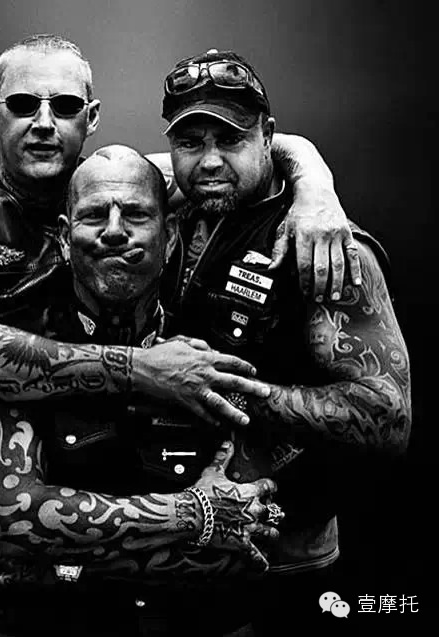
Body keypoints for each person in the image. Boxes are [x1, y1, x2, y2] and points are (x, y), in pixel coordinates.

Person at [0, 34, 359, 636]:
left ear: (90, 117)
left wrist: (317, 188)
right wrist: (142, 370)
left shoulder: (111, 184)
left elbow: (242, 148)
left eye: (65, 106)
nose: (44, 122)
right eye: (23, 105)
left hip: (51, 517)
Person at [0, 145, 287, 636]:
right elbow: (13, 521)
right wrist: (193, 515)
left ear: (169, 236)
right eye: (94, 215)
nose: (114, 230)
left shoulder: (218, 349)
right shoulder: (11, 352)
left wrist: (60, 563)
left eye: (135, 214)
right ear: (65, 238)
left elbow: (244, 539)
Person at [156, 48, 411, 633]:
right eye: (190, 142)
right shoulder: (172, 207)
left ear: (267, 136)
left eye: (231, 139)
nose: (210, 160)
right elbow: (90, 168)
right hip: (179, 554)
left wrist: (227, 391)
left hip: (285, 564)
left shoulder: (324, 245)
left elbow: (388, 417)